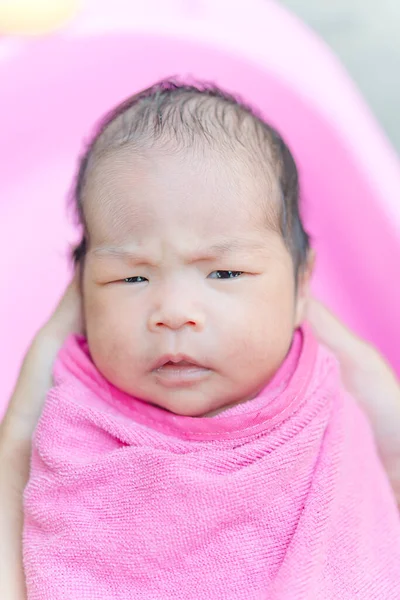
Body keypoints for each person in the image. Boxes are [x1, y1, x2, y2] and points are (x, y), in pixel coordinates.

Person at [1, 81, 400, 599]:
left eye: (226, 273)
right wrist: (17, 441)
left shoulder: (330, 406)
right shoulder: (74, 425)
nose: (174, 313)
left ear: (302, 286)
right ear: (81, 293)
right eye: (132, 279)